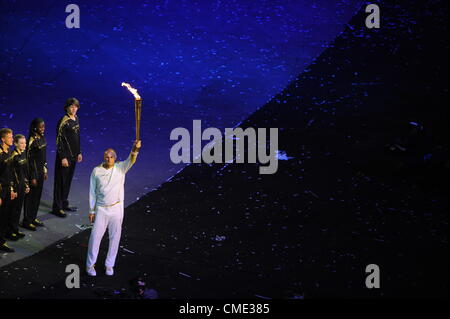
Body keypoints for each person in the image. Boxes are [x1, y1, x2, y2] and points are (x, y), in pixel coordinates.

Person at [86, 140, 141, 276]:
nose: (108, 159)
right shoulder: (96, 171)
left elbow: (132, 159)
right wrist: (91, 210)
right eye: (106, 156)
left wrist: (135, 148)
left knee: (115, 237)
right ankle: (90, 265)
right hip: (101, 209)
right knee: (95, 237)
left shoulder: (121, 168)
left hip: (116, 208)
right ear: (103, 157)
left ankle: (109, 265)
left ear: (115, 158)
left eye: (111, 157)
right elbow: (92, 192)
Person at [51, 98, 82, 218]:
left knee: (68, 181)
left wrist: (79, 152)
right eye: (72, 107)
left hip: (74, 156)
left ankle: (64, 203)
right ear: (67, 107)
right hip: (65, 158)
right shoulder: (63, 121)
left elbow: (77, 137)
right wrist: (63, 157)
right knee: (61, 182)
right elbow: (59, 141)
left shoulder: (76, 119)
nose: (74, 109)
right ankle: (56, 207)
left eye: (76, 107)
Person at [23, 118, 48, 230]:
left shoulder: (41, 137)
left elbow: (43, 156)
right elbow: (29, 160)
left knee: (37, 196)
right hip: (33, 174)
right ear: (35, 128)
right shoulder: (31, 141)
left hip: (40, 172)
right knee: (30, 198)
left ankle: (33, 217)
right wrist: (32, 177)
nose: (43, 129)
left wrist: (45, 169)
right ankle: (27, 221)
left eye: (43, 126)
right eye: (41, 127)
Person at [0, 128, 18, 252]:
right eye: (10, 137)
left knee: (5, 216)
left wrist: (11, 189)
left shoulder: (9, 153)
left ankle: (2, 240)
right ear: (3, 139)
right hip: (0, 190)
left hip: (7, 189)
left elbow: (10, 173)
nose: (12, 139)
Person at [10, 134, 30, 239]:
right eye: (21, 143)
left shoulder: (23, 154)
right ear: (15, 144)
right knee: (13, 210)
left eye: (25, 143)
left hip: (22, 186)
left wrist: (26, 184)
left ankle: (15, 229)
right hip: (16, 188)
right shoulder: (13, 156)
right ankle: (10, 232)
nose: (24, 145)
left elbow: (24, 172)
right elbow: (11, 175)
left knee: (18, 209)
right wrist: (13, 189)